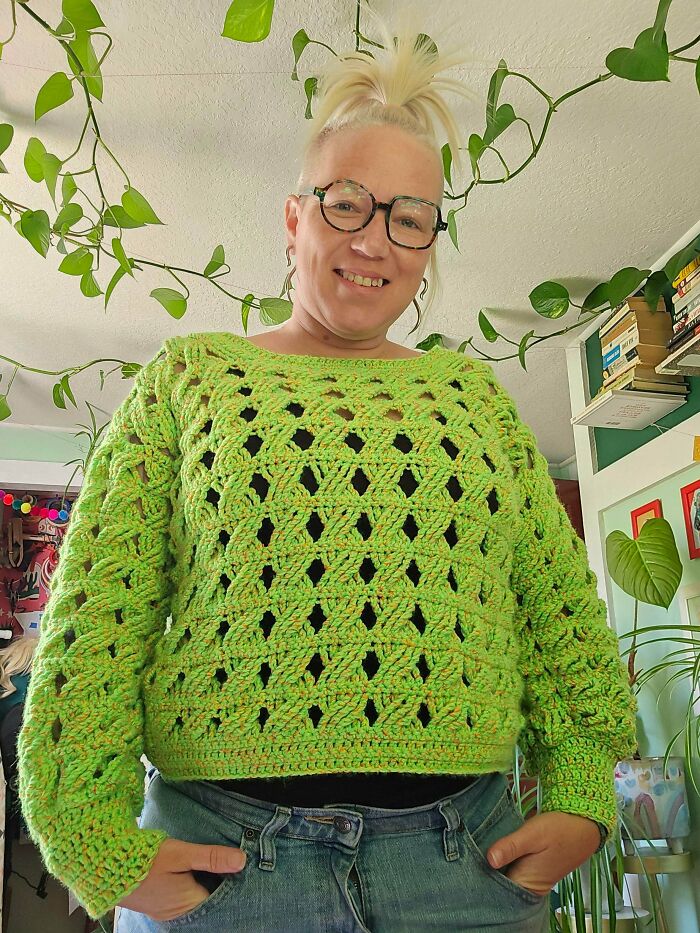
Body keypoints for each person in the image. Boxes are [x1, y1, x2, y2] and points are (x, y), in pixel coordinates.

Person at [17, 8, 637, 932]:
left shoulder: (474, 401)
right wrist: (89, 833)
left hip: (464, 864)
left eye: (410, 217)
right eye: (347, 203)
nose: (375, 238)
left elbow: (556, 613)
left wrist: (587, 790)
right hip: (227, 869)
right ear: (295, 216)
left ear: (429, 243)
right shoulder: (191, 381)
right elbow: (100, 624)